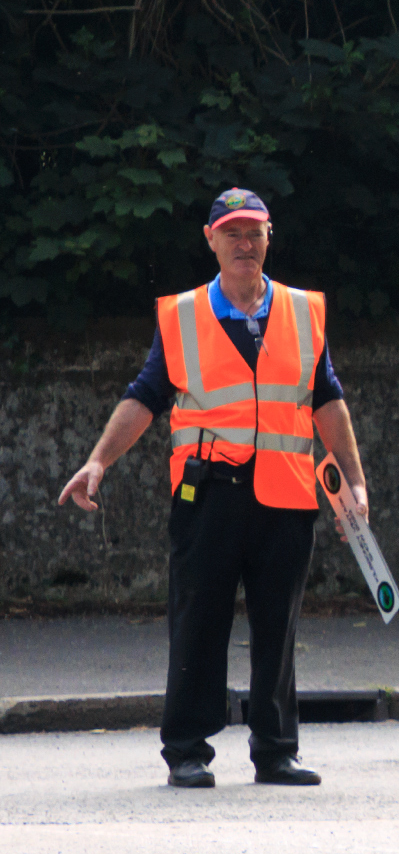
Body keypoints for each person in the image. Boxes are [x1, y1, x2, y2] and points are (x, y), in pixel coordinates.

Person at [57, 188, 370, 789]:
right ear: (211, 240)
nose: (244, 243)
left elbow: (326, 397)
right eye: (232, 233)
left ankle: (276, 750)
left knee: (278, 626)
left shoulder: (304, 312)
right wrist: (99, 461)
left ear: (269, 237)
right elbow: (147, 394)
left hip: (286, 493)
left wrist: (354, 480)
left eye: (254, 232)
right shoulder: (182, 315)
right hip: (209, 495)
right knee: (198, 620)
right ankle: (187, 750)